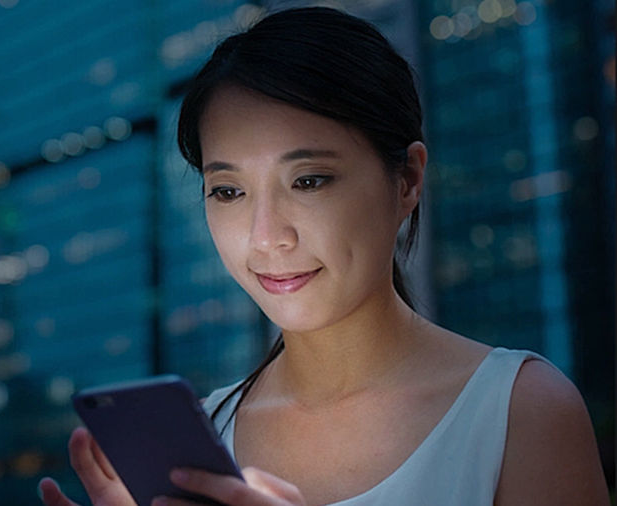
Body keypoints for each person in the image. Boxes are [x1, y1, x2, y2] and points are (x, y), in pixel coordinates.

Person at [39, 6, 610, 505]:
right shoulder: (200, 441)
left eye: (309, 181)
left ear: (408, 179)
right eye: (229, 191)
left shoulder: (519, 413)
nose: (266, 237)